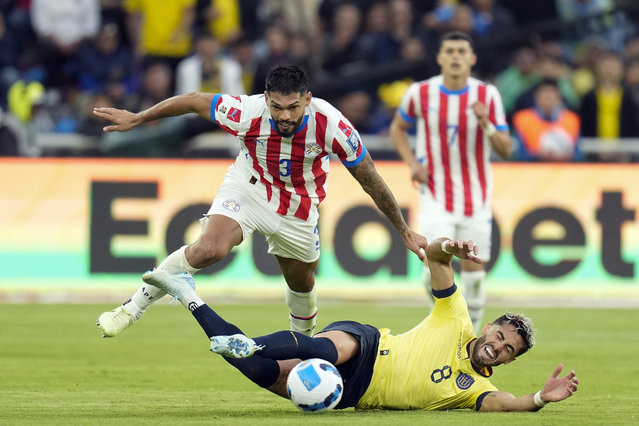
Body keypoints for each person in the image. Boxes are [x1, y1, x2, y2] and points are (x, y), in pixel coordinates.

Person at [93, 65, 428, 338]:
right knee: (210, 249)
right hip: (249, 188)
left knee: (302, 281)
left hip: (300, 207)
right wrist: (139, 118)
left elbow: (370, 179)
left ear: (307, 100)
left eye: (293, 108)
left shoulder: (333, 125)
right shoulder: (247, 111)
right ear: (266, 98)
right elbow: (194, 100)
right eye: (277, 107)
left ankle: (303, 346)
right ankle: (131, 308)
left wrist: (404, 231)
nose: (284, 116)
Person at [142, 237, 578, 411]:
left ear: (508, 361)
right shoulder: (457, 318)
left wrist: (540, 397)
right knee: (324, 349)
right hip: (368, 346)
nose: (498, 347)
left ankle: (188, 294)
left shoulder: (478, 391)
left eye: (507, 350)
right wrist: (450, 245)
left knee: (258, 374)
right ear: (490, 328)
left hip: (353, 393)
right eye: (500, 336)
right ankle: (249, 343)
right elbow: (439, 259)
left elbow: (509, 405)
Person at [390, 31, 511, 333]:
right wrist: (412, 163)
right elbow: (398, 129)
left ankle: (469, 338)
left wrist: (485, 122)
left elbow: (506, 149)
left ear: (472, 59)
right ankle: (447, 330)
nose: (456, 56)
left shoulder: (487, 95)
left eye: (461, 51)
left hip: (475, 197)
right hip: (435, 194)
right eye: (450, 51)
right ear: (440, 57)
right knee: (431, 262)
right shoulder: (420, 93)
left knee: (475, 272)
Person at [513, 78, 581, 162]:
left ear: (559, 96)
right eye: (544, 92)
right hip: (532, 170)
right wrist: (539, 156)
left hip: (565, 170)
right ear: (536, 96)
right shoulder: (523, 119)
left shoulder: (571, 119)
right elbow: (520, 154)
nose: (548, 96)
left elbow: (578, 154)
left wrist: (568, 156)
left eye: (552, 92)